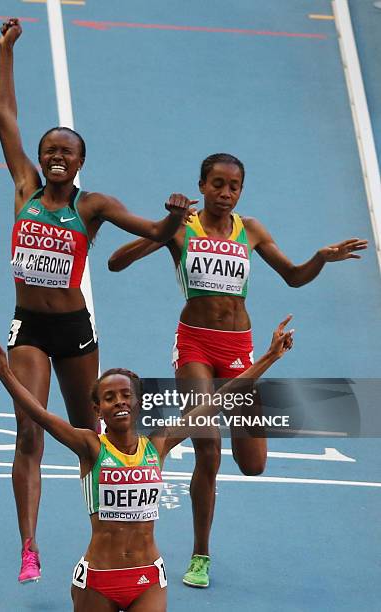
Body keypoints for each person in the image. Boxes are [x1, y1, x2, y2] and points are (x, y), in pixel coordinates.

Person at [108, 152, 368, 587]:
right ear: (202, 185)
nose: (225, 193)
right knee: (207, 447)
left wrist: (321, 258)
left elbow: (294, 277)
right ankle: (200, 555)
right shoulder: (183, 227)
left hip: (238, 349)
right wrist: (167, 223)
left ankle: (204, 500)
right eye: (217, 184)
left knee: (252, 464)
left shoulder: (251, 230)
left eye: (233, 186)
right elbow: (117, 262)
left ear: (240, 191)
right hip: (194, 343)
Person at [0, 18, 195, 583]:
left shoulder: (93, 206)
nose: (57, 157)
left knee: (97, 442)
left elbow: (155, 232)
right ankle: (29, 546)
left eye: (67, 152)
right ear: (39, 157)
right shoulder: (24, 188)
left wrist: (174, 218)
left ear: (80, 163)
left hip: (76, 332)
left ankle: (108, 536)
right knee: (29, 431)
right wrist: (5, 52)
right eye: (49, 150)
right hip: (29, 327)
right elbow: (4, 118)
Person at [0, 316, 294, 611]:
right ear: (97, 409)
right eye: (109, 397)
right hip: (97, 581)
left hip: (147, 580)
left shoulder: (157, 444)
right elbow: (41, 415)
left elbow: (220, 397)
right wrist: (4, 372)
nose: (119, 401)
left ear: (138, 403)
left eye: (125, 395)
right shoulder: (90, 447)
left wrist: (270, 357)